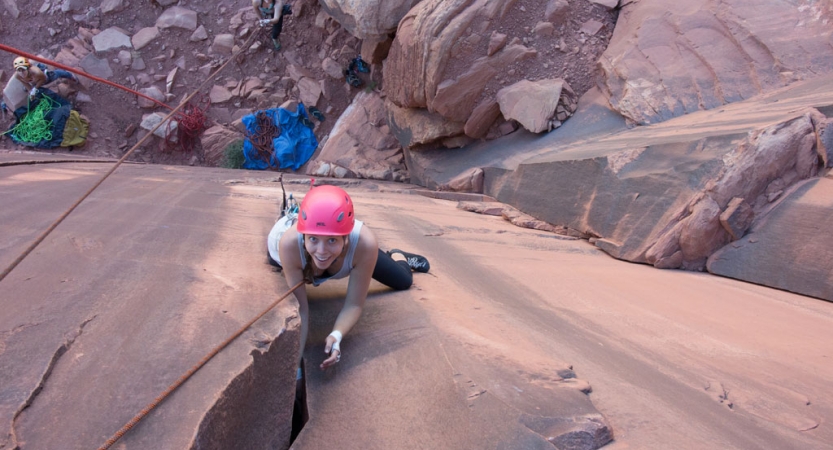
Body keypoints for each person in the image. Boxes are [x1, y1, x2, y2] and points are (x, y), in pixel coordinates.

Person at [267, 184, 429, 371]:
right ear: (303, 236)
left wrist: (337, 335)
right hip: (287, 247)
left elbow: (354, 304)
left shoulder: (363, 244)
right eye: (313, 239)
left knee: (403, 280)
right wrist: (295, 371)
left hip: (356, 252)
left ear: (346, 237)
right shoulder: (288, 245)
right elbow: (301, 309)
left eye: (332, 240)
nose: (321, 251)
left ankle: (398, 255)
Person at [12, 56, 77, 99]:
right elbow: (25, 83)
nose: (21, 73)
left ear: (28, 68)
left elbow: (42, 80)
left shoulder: (37, 72)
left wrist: (35, 89)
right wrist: (31, 91)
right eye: (19, 70)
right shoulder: (17, 75)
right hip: (33, 82)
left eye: (23, 70)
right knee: (29, 90)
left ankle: (69, 75)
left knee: (58, 73)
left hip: (45, 78)